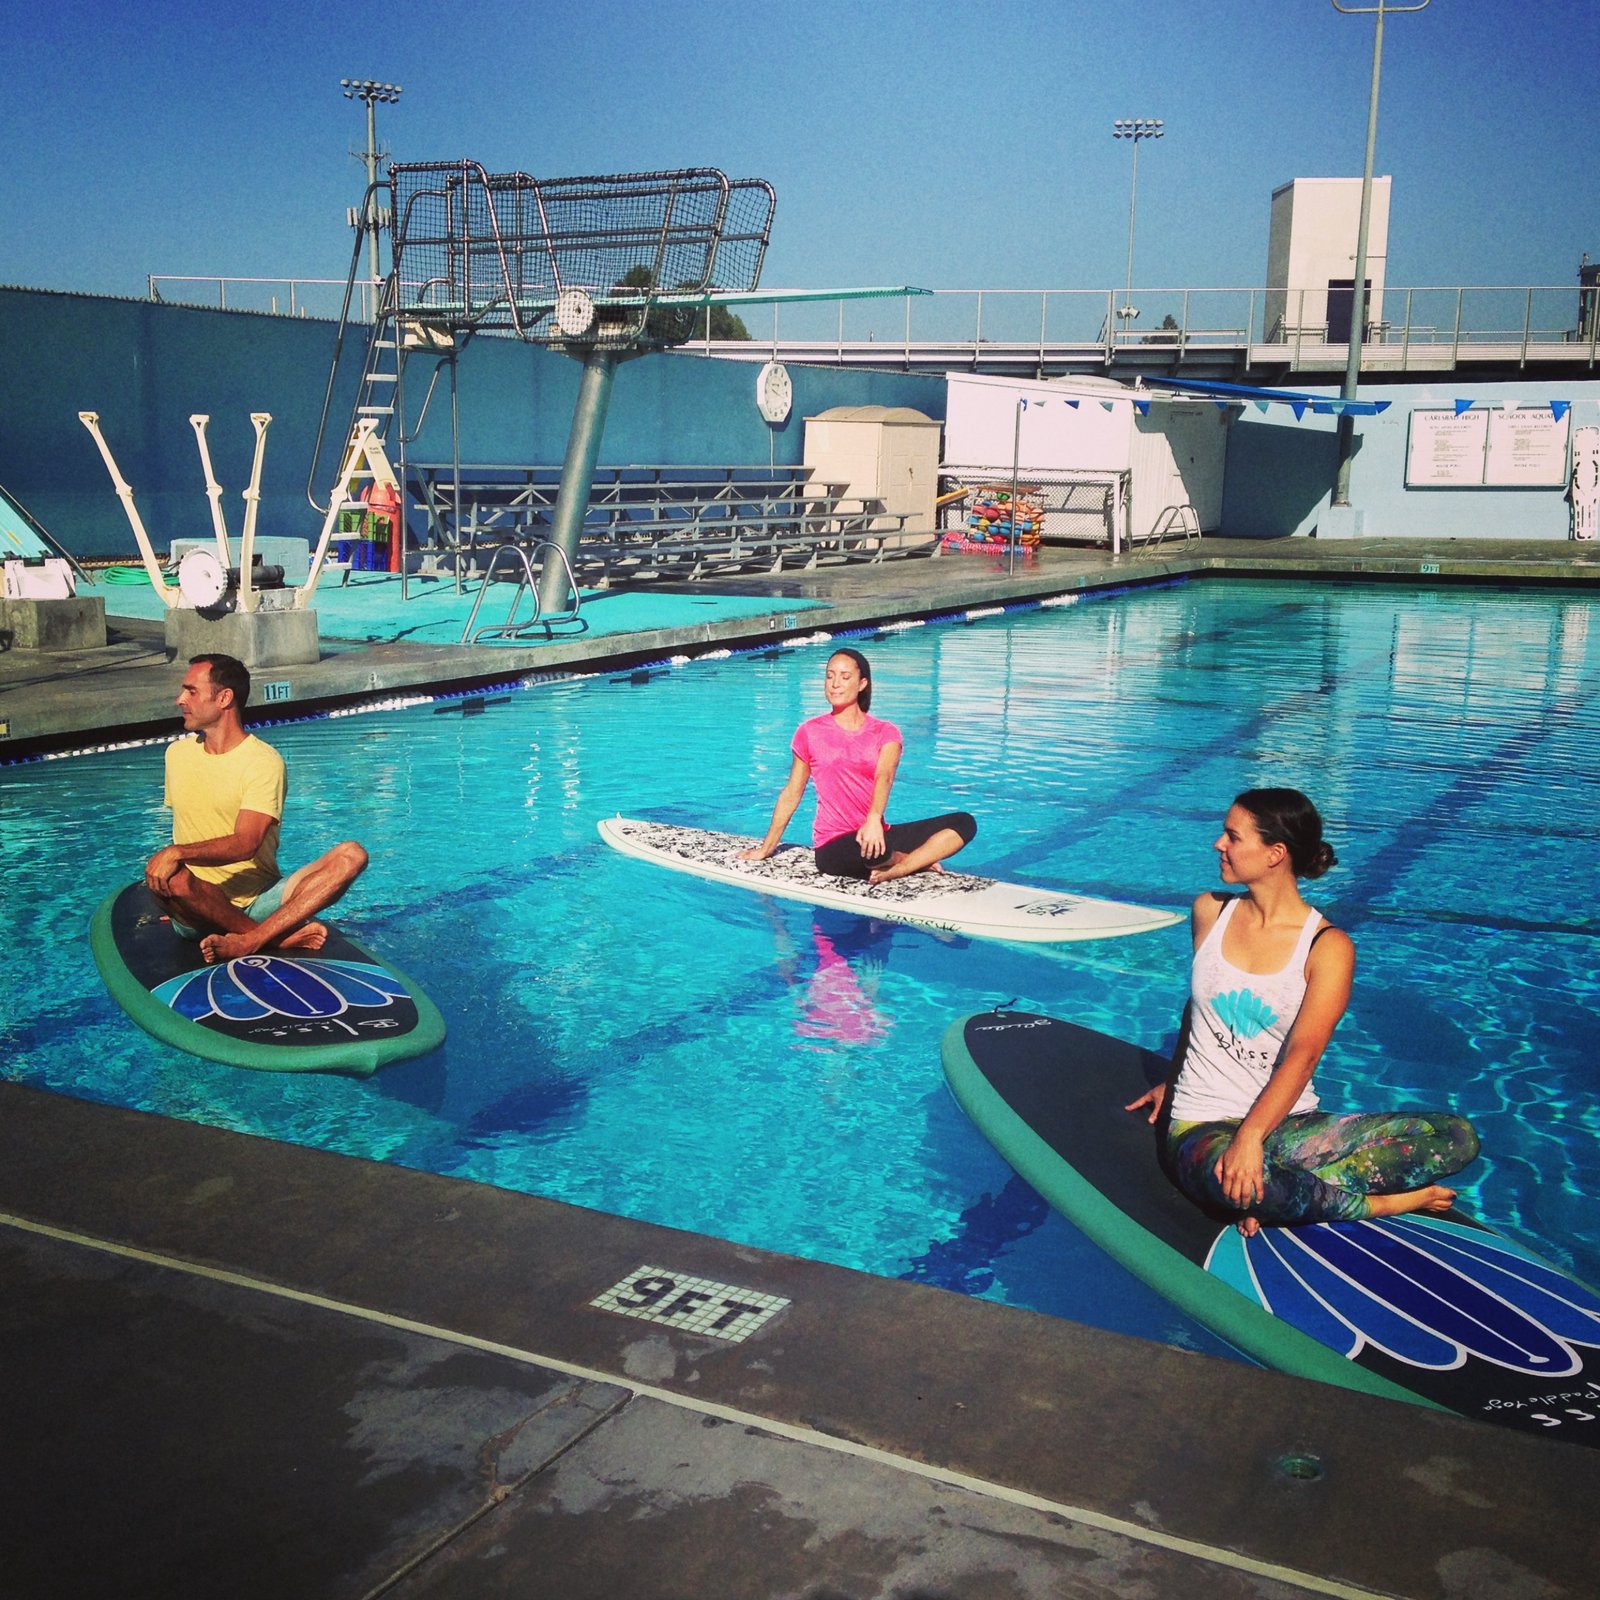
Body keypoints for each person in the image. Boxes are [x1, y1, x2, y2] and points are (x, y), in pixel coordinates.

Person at [1126, 787, 1478, 1236]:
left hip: (1287, 1127)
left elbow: (1304, 1054)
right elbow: (1195, 1010)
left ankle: (1288, 1195)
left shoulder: (1327, 948)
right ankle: (1385, 1204)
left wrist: (1252, 1137)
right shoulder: (1210, 911)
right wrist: (1174, 1080)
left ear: (1275, 853)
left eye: (1233, 837)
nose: (1219, 844)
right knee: (1231, 1184)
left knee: (1455, 1137)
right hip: (1203, 1123)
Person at [143, 653, 368, 964]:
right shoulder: (176, 755)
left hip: (260, 901)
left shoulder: (263, 762)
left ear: (224, 698)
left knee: (352, 855)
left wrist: (177, 852)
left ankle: (251, 940)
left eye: (191, 691)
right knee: (172, 878)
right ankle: (277, 937)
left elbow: (246, 843)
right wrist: (179, 899)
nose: (180, 699)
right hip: (197, 908)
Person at [739, 647, 976, 883]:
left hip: (877, 832)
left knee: (964, 823)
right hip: (834, 844)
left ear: (862, 683)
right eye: (829, 676)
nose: (835, 684)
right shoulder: (809, 732)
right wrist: (766, 848)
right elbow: (792, 792)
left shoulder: (885, 732)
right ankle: (908, 860)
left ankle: (898, 868)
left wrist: (874, 819)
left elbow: (885, 776)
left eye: (845, 677)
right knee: (876, 852)